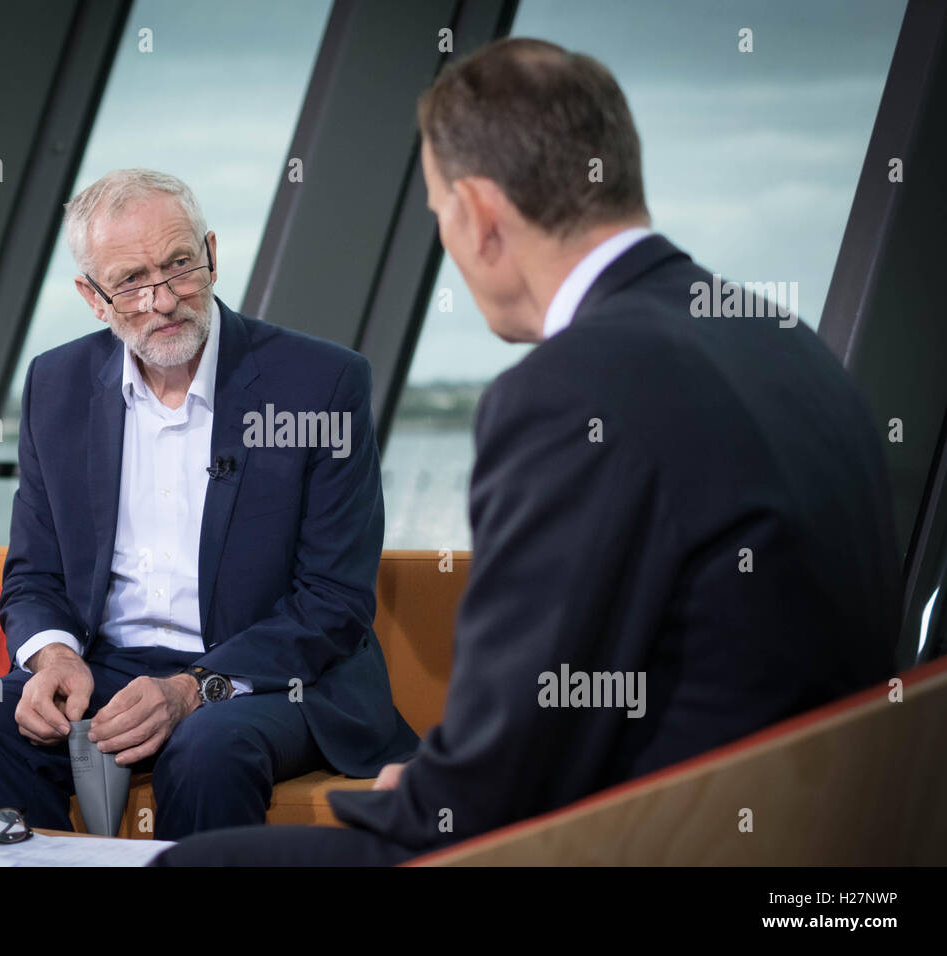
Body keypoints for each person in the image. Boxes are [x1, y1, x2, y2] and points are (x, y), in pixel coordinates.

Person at [153, 37, 899, 866]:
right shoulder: (783, 340)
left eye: (439, 212)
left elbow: (507, 768)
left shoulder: (574, 392)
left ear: (475, 213)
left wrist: (424, 795)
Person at [0, 169, 417, 841]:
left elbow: (333, 599)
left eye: (180, 265)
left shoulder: (320, 383)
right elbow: (34, 575)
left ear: (211, 254)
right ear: (93, 297)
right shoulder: (56, 384)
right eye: (131, 280)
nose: (162, 299)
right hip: (112, 668)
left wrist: (192, 687)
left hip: (271, 679)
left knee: (207, 747)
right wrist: (55, 657)